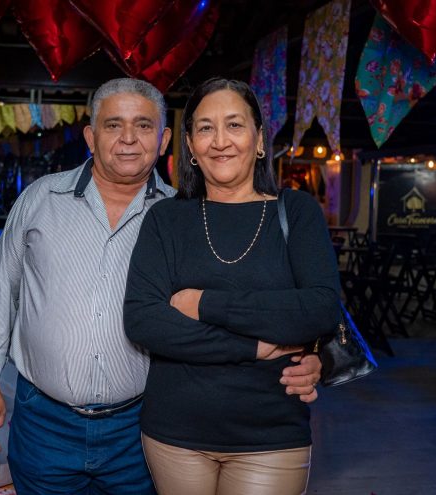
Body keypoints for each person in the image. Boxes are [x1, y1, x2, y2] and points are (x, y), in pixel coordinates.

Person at [0, 78, 323, 494]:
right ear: (91, 137)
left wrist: (308, 352)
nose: (128, 138)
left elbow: (264, 294)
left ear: (164, 140)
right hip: (45, 420)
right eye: (113, 125)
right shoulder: (41, 199)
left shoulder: (181, 216)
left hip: (139, 425)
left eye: (144, 126)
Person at [123, 77, 341, 495]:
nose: (220, 141)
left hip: (270, 434)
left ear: (258, 140)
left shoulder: (296, 212)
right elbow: (144, 320)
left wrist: (203, 304)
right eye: (205, 128)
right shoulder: (166, 219)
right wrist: (254, 346)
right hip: (175, 433)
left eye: (235, 125)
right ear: (191, 145)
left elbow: (319, 309)